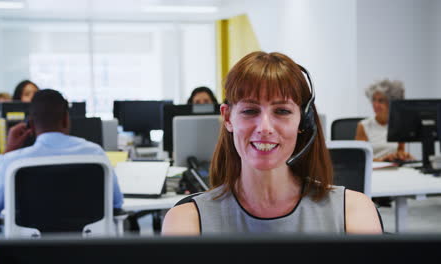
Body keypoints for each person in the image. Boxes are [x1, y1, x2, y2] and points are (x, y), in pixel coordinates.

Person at [162, 51, 382, 235]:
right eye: (250, 110)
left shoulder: (351, 210)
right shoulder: (188, 220)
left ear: (303, 121)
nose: (265, 127)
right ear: (228, 118)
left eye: (282, 111)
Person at [0, 89, 123, 218]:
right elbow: (116, 202)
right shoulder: (95, 154)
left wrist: (7, 151)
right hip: (85, 245)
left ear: (32, 125)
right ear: (66, 119)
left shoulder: (14, 161)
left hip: (29, 247)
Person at [355, 79, 414, 162]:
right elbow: (360, 158)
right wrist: (383, 160)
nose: (375, 104)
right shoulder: (363, 126)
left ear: (391, 103)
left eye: (381, 101)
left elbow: (400, 151)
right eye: (374, 100)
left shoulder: (399, 125)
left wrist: (402, 155)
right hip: (373, 171)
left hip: (395, 170)